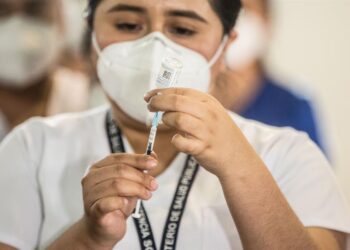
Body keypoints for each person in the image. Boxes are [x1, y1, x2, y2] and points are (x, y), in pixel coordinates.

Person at [0, 0, 349, 249]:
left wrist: (240, 166)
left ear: (226, 48)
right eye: (126, 25)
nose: (155, 47)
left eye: (182, 28)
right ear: (90, 36)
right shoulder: (33, 146)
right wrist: (89, 238)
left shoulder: (288, 153)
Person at [211, 0, 326, 153]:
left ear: (267, 22)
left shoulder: (293, 106)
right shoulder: (194, 91)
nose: (233, 20)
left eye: (243, 11)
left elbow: (311, 173)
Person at [0, 0, 90, 142]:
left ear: (62, 17)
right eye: (1, 12)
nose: (18, 28)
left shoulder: (89, 101)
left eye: (35, 9)